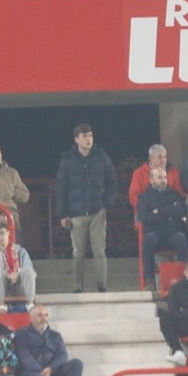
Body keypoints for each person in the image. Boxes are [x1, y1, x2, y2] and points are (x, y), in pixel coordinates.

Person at [55, 124, 117, 293]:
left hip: (97, 210)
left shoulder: (101, 156)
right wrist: (63, 214)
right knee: (78, 252)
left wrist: (108, 202)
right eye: (83, 136)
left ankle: (102, 285)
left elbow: (112, 179)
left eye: (90, 135)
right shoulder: (67, 158)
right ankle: (77, 286)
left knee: (99, 250)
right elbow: (61, 187)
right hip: (75, 213)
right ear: (76, 139)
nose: (88, 139)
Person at [10, 304, 83, 376]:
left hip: (52, 373)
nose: (43, 318)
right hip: (30, 374)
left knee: (76, 364)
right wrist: (40, 370)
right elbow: (24, 356)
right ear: (31, 318)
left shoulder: (56, 336)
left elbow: (62, 355)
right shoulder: (21, 334)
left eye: (46, 315)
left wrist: (50, 369)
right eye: (39, 315)